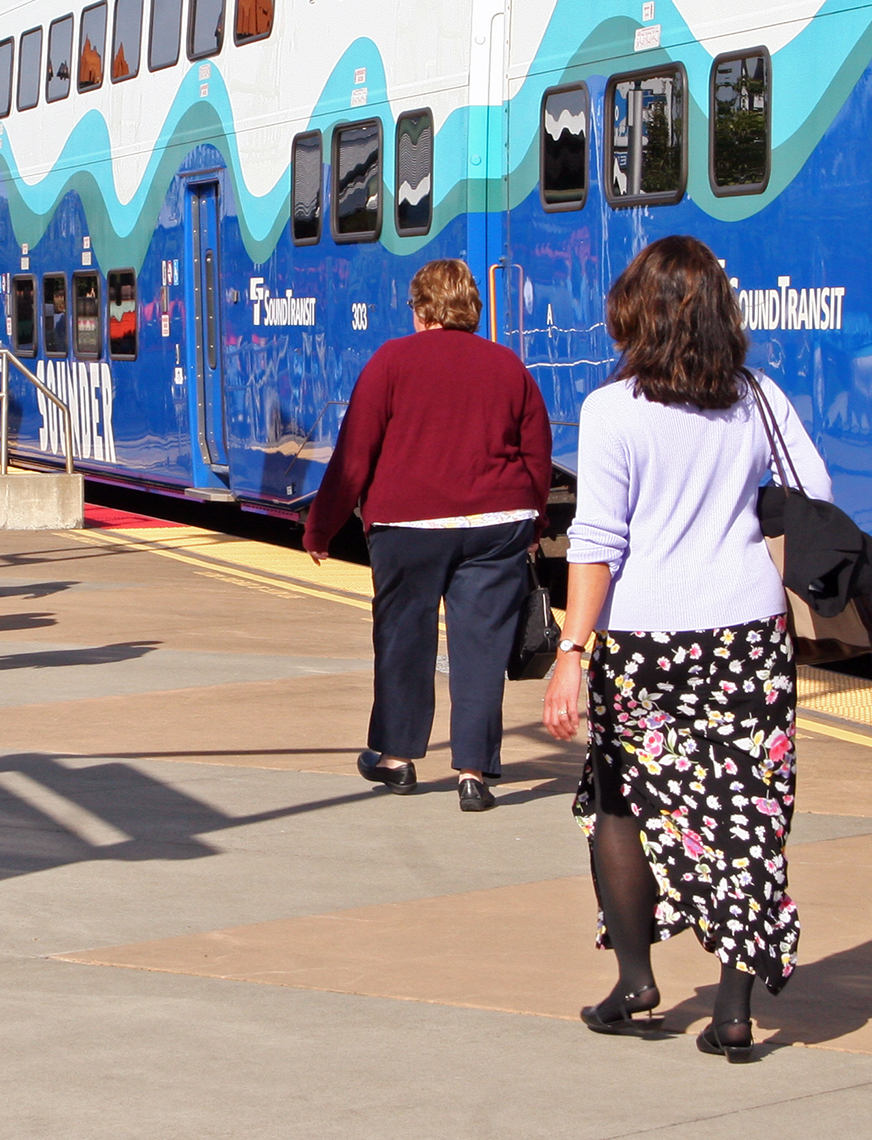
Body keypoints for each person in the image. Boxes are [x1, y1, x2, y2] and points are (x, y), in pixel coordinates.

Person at [541, 236, 824, 1063]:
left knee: (621, 805)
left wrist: (571, 651)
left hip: (644, 638)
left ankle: (636, 982)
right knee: (745, 809)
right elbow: (815, 495)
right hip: (747, 635)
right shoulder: (757, 397)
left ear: (636, 311)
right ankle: (734, 1011)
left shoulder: (612, 410)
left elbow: (596, 541)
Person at [301, 259, 551, 813]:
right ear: (471, 309)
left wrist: (322, 526)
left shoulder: (390, 362)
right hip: (495, 524)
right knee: (482, 647)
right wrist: (534, 520)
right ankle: (472, 771)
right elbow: (536, 453)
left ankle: (396, 758)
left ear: (420, 309)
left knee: (402, 639)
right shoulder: (508, 366)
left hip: (407, 528)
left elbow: (354, 455)